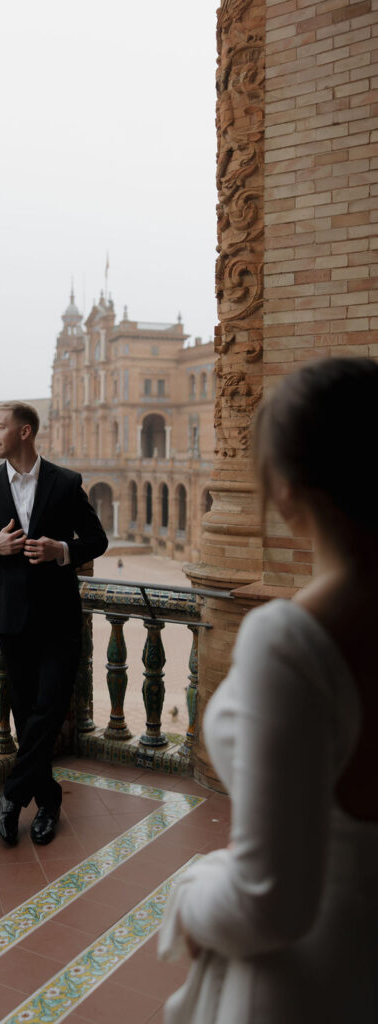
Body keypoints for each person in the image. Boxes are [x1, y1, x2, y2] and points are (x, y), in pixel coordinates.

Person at [158, 357, 378, 1022]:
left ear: (283, 490)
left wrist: (187, 894)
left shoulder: (290, 640)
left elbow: (268, 902)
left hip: (310, 980)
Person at [0, 401, 108, 846]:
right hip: (10, 617)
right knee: (25, 713)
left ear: (25, 431)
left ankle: (12, 798)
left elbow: (97, 539)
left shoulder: (66, 482)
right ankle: (48, 801)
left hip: (59, 617)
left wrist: (62, 550)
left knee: (50, 709)